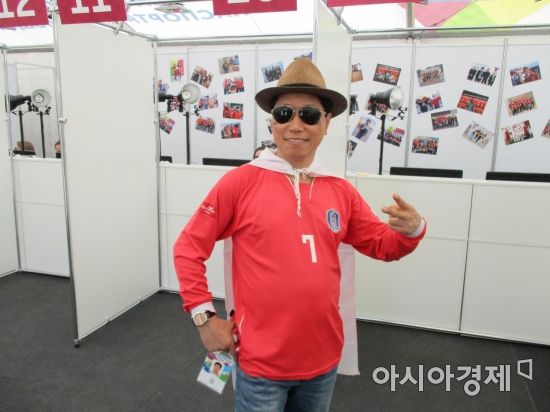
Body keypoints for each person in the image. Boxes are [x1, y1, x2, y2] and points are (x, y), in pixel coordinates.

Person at [173, 59, 426, 412]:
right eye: (284, 114)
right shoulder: (240, 182)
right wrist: (204, 318)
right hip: (259, 364)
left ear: (326, 123)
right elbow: (188, 248)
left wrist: (413, 229)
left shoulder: (340, 191)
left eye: (308, 115)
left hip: (322, 362)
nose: (295, 125)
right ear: (271, 122)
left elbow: (383, 245)